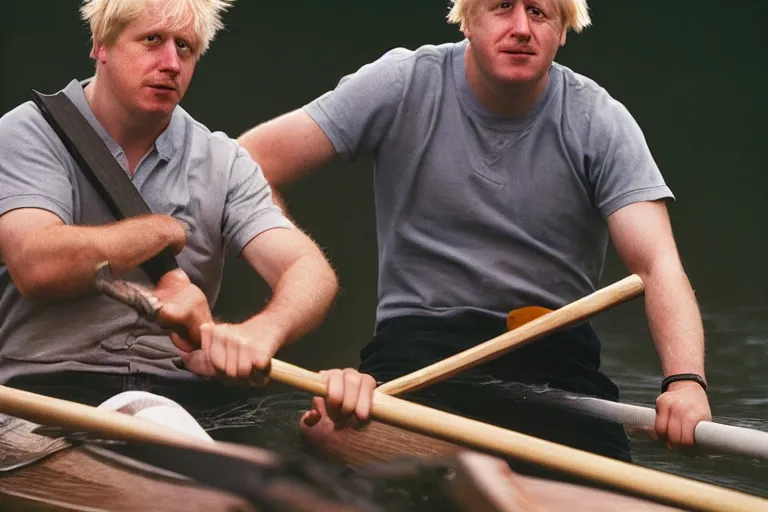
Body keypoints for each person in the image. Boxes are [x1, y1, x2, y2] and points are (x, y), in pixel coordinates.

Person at [237, 0, 712, 468]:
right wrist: (298, 267)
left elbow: (657, 264)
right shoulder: (403, 83)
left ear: (563, 30)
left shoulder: (601, 121)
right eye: (503, 7)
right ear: (467, 19)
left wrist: (685, 382)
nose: (522, 27)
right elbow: (248, 166)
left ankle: (480, 473)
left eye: (540, 12)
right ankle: (483, 472)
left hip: (556, 364)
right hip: (418, 354)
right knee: (329, 431)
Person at [0, 0, 372, 423]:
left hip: (185, 403)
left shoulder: (224, 160)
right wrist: (162, 231)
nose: (171, 63)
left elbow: (309, 269)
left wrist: (260, 333)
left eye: (185, 48)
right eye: (152, 40)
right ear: (101, 45)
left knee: (293, 481)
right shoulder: (28, 132)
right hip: (43, 395)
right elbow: (37, 264)